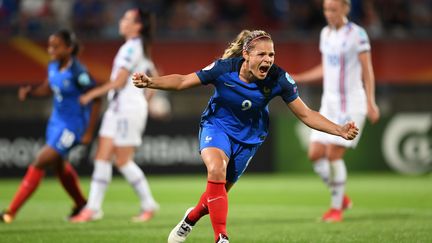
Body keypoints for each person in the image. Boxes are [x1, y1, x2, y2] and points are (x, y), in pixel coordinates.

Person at [132, 29, 359, 243]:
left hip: (249, 138)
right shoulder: (224, 69)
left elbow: (307, 114)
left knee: (217, 193)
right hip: (217, 126)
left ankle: (190, 218)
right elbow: (182, 81)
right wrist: (152, 82)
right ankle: (222, 237)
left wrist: (339, 130)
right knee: (216, 170)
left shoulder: (278, 79)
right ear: (246, 55)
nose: (268, 59)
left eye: (271, 54)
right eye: (262, 54)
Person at [290, 0, 380, 223]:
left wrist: (371, 102)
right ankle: (342, 197)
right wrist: (301, 77)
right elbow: (326, 67)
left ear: (345, 9)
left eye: (333, 9)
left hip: (352, 104)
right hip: (329, 104)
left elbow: (367, 69)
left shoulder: (357, 35)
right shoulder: (325, 34)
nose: (329, 14)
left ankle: (336, 210)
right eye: (326, 10)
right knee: (314, 154)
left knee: (333, 155)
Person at [0, 29, 101, 223]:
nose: (51, 49)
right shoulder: (53, 66)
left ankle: (10, 212)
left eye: (56, 46)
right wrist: (31, 93)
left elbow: (96, 98)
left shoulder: (78, 72)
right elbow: (49, 87)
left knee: (40, 160)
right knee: (59, 167)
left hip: (72, 126)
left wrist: (88, 131)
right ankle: (81, 204)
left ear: (69, 48)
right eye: (49, 45)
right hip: (56, 122)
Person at [70, 8, 159, 223]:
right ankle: (93, 208)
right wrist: (145, 101)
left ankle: (148, 204)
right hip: (118, 108)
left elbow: (119, 82)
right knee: (101, 157)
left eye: (127, 19)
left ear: (137, 26)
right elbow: (155, 77)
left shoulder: (131, 48)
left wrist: (92, 93)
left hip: (127, 109)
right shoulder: (139, 48)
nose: (122, 21)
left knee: (122, 160)